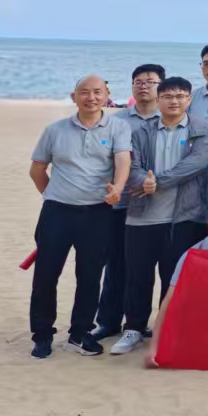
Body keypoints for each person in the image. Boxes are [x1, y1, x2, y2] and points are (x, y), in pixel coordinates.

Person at [27, 75, 132, 358]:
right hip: (57, 213)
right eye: (84, 92)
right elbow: (37, 170)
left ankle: (80, 333)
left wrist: (118, 188)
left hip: (98, 213)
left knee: (90, 276)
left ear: (107, 95)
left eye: (97, 92)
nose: (91, 97)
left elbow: (123, 160)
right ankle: (42, 335)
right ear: (74, 97)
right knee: (46, 275)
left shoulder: (119, 127)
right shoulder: (54, 130)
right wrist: (53, 196)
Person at [113, 76, 208, 355]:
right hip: (142, 216)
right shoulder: (141, 131)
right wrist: (140, 181)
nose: (174, 101)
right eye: (168, 96)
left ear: (189, 100)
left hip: (183, 216)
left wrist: (157, 182)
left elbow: (196, 165)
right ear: (158, 100)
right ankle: (134, 328)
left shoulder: (202, 130)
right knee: (137, 275)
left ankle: (166, 327)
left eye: (180, 96)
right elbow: (131, 165)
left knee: (174, 276)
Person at [95, 63, 161, 341]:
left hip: (161, 206)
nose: (143, 86)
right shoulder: (117, 120)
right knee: (116, 265)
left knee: (150, 268)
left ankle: (143, 323)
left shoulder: (171, 117)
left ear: (162, 87)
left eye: (150, 81)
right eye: (138, 81)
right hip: (121, 204)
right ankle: (108, 321)